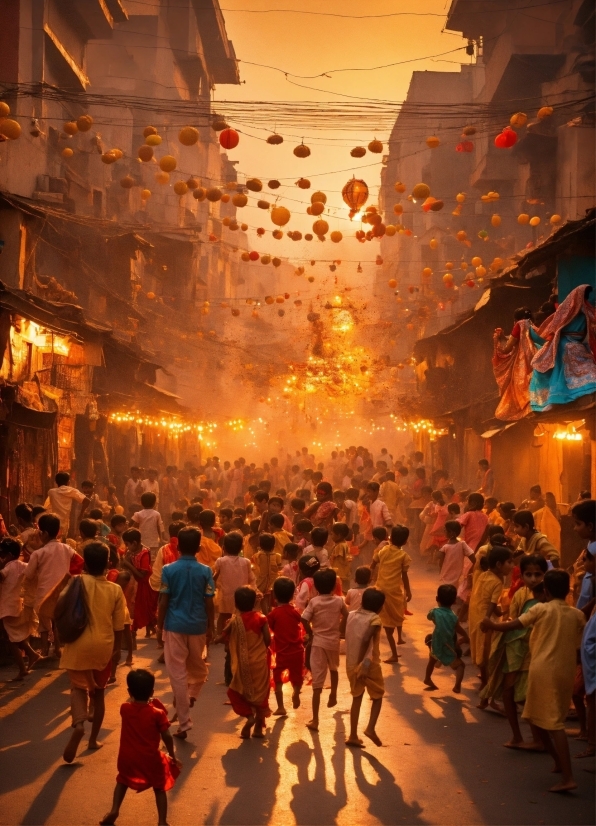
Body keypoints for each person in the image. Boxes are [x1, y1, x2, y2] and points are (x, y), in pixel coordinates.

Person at [482, 570, 586, 792]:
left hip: (543, 669)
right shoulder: (576, 614)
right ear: (568, 591)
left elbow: (513, 625)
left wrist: (490, 625)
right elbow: (579, 638)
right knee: (536, 717)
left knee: (553, 723)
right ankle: (558, 763)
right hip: (565, 671)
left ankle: (568, 776)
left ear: (545, 591)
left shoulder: (541, 609)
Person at [60, 542, 125, 763]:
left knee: (78, 688)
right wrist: (116, 650)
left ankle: (79, 724)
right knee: (98, 693)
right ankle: (93, 739)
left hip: (78, 643)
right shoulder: (115, 590)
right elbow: (120, 626)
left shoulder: (76, 582)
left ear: (85, 563)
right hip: (103, 646)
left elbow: (59, 606)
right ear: (108, 563)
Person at [481, 554, 548, 748]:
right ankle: (517, 736)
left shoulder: (549, 595)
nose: (533, 579)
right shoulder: (519, 594)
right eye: (529, 574)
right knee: (509, 691)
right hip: (516, 650)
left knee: (530, 696)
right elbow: (514, 620)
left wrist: (494, 626)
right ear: (522, 575)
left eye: (538, 574)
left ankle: (539, 739)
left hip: (537, 651)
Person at [100, 669, 179, 826]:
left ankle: (114, 810)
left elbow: (133, 703)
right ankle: (162, 821)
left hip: (126, 757)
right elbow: (167, 736)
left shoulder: (125, 708)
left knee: (122, 780)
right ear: (152, 691)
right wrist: (172, 755)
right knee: (159, 787)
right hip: (149, 758)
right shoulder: (157, 713)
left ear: (129, 691)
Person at [157, 526, 215, 738]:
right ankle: (189, 698)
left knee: (178, 674)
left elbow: (163, 601)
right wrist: (212, 626)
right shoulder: (205, 571)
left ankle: (184, 721)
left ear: (178, 546)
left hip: (174, 625)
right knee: (198, 670)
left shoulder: (168, 570)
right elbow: (209, 602)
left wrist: (159, 626)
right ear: (199, 547)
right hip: (198, 625)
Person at [530, 284, 596, 412]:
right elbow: (555, 326)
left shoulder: (587, 310)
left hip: (578, 343)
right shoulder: (569, 310)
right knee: (552, 365)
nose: (586, 299)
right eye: (585, 296)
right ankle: (554, 399)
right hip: (564, 343)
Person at [218, 586, 272, 738]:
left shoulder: (234, 621)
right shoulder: (261, 618)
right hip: (260, 663)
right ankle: (258, 730)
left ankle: (249, 717)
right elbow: (268, 639)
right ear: (255, 602)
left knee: (236, 691)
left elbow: (224, 637)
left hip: (242, 665)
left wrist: (215, 639)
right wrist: (263, 649)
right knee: (261, 695)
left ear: (235, 604)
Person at [24, 512, 80, 657]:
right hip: (63, 591)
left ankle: (44, 650)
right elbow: (79, 561)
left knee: (44, 623)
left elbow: (28, 575)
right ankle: (57, 648)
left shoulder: (38, 553)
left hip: (44, 593)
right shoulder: (66, 548)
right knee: (57, 620)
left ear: (44, 533)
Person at [301, 568, 348, 732]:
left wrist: (310, 633)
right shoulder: (339, 601)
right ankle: (334, 693)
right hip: (333, 640)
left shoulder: (314, 602)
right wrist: (341, 629)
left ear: (317, 587)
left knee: (317, 680)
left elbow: (304, 618)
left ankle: (315, 719)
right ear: (335, 586)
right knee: (334, 668)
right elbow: (347, 615)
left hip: (318, 642)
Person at [468, 546, 513, 698]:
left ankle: (485, 681)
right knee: (489, 650)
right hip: (484, 619)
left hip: (475, 615)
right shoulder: (497, 582)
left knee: (481, 648)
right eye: (509, 562)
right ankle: (489, 685)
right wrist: (489, 619)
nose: (512, 565)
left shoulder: (482, 574)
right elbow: (493, 605)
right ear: (499, 565)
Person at [345, 587, 386, 747]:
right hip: (368, 664)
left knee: (357, 696)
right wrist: (362, 662)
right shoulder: (375, 619)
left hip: (350, 663)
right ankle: (370, 728)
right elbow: (366, 639)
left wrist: (355, 662)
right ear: (380, 607)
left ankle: (353, 735)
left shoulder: (351, 615)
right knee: (377, 695)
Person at [0, 538, 42, 678]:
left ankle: (22, 668)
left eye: (3, 555)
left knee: (11, 640)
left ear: (10, 555)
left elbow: (2, 576)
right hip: (19, 605)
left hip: (7, 607)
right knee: (15, 636)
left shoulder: (8, 567)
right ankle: (32, 654)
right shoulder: (24, 565)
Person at [370, 525, 412, 662]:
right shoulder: (404, 556)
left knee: (384, 624)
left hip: (381, 589)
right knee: (396, 617)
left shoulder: (383, 550)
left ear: (390, 538)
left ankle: (387, 651)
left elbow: (373, 563)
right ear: (405, 542)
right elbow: (404, 576)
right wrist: (408, 590)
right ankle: (394, 653)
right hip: (394, 591)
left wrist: (371, 575)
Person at [268, 577, 307, 715]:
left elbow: (270, 629)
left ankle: (281, 707)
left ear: (275, 595)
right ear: (292, 595)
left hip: (281, 652)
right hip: (297, 650)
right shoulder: (295, 611)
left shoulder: (273, 614)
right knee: (297, 676)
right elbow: (302, 623)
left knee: (277, 679)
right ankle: (296, 692)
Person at [424, 584, 469, 693]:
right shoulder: (453, 617)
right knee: (460, 666)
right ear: (454, 601)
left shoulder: (435, 612)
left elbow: (429, 616)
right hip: (448, 646)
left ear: (437, 599)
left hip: (436, 643)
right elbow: (458, 628)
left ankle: (427, 678)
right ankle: (457, 685)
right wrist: (466, 636)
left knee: (431, 661)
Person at [213, 531, 256, 635]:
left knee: (223, 616)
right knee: (241, 617)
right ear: (242, 548)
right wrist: (254, 591)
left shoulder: (220, 561)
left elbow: (214, 577)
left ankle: (219, 635)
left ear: (224, 547)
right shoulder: (246, 562)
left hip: (225, 595)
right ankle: (240, 635)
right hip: (242, 596)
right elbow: (252, 579)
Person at [121, 529, 157, 639]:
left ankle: (137, 629)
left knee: (143, 608)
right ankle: (142, 628)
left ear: (135, 543)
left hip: (144, 584)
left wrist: (128, 564)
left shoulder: (144, 553)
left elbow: (142, 574)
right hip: (136, 582)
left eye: (127, 544)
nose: (126, 547)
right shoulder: (131, 551)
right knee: (135, 607)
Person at [44, 471, 90, 539]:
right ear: (68, 482)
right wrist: (81, 514)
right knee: (63, 539)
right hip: (64, 522)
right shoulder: (72, 491)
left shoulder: (51, 492)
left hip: (53, 521)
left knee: (53, 539)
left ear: (56, 482)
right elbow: (87, 501)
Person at [437, 521, 476, 587]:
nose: (444, 532)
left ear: (451, 533)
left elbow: (440, 563)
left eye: (445, 530)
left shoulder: (445, 547)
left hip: (445, 577)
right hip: (458, 577)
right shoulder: (462, 544)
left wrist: (441, 571)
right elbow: (473, 557)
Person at [251, 533, 282, 615]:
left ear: (260, 544)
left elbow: (254, 566)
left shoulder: (257, 556)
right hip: (272, 582)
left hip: (260, 582)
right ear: (274, 544)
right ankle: (268, 614)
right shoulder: (277, 556)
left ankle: (265, 615)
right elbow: (279, 566)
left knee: (261, 599)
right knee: (267, 599)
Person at [131, 493, 165, 564]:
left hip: (142, 541)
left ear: (142, 503)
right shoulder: (157, 514)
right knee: (152, 559)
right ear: (154, 503)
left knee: (142, 558)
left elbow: (133, 527)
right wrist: (161, 538)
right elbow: (159, 527)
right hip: (153, 541)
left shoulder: (138, 514)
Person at [330, 522, 352, 593]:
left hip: (340, 574)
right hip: (344, 574)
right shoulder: (344, 544)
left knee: (339, 592)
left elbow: (334, 558)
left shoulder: (340, 546)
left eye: (332, 534)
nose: (331, 536)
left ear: (339, 535)